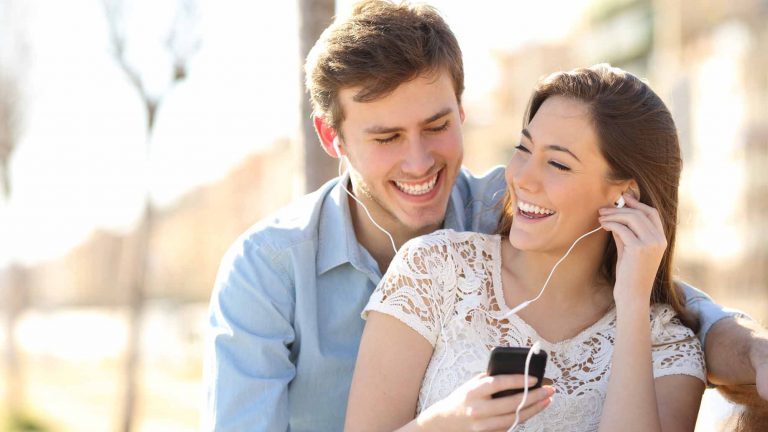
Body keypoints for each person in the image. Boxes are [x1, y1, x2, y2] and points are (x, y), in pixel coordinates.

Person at [202, 2, 768, 431]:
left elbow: (681, 306)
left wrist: (757, 354)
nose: (420, 161)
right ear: (332, 137)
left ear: (462, 109)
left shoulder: (516, 200)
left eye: (437, 126)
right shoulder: (266, 272)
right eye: (387, 136)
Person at [345, 64, 710, 431]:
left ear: (625, 195)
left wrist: (632, 305)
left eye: (557, 164)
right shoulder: (433, 270)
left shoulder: (668, 347)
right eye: (523, 148)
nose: (521, 177)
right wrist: (446, 423)